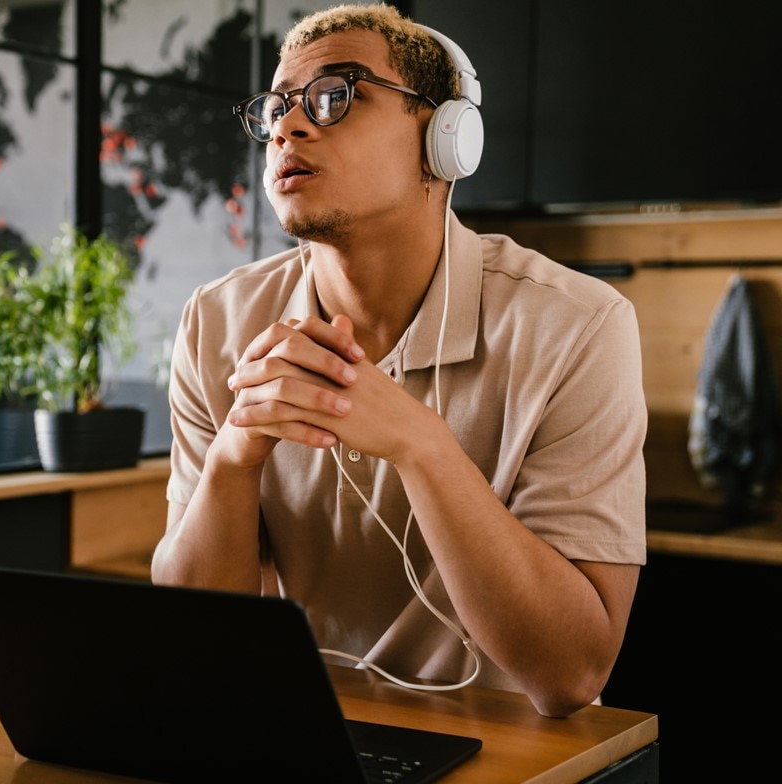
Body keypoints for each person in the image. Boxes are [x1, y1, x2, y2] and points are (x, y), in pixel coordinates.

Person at [149, 2, 646, 719]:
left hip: (513, 755)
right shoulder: (217, 322)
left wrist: (420, 445)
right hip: (297, 736)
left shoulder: (580, 325)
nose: (288, 126)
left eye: (334, 96)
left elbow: (570, 674)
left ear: (445, 142)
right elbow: (192, 641)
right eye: (276, 109)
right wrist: (233, 458)